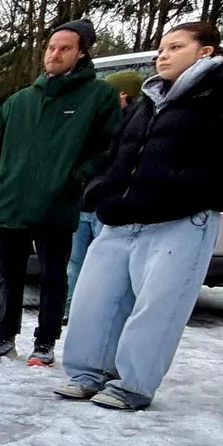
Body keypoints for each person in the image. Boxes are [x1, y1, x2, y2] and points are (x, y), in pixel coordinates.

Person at [56, 22, 223, 410]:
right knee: (94, 301)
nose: (161, 55)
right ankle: (88, 373)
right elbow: (117, 151)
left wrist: (197, 186)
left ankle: (134, 384)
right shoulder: (149, 99)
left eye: (175, 47)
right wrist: (100, 188)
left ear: (206, 52)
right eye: (160, 48)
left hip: (179, 221)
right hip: (120, 218)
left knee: (157, 310)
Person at [0, 20, 121, 366]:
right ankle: (3, 336)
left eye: (64, 48)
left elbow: (108, 147)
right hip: (10, 202)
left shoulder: (98, 96)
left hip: (57, 204)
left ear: (82, 53)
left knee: (53, 275)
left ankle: (45, 342)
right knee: (8, 274)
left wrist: (75, 180)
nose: (54, 54)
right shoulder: (19, 101)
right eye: (51, 47)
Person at [64, 69, 142, 319]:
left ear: (123, 94)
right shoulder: (94, 122)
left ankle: (97, 314)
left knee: (104, 265)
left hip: (106, 207)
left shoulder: (134, 124)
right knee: (75, 263)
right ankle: (70, 309)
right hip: (83, 203)